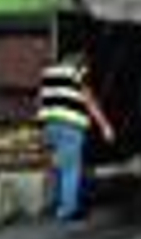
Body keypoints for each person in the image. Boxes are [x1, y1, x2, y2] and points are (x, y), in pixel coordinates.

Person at [39, 51, 115, 221]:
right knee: (71, 168)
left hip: (50, 124)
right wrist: (105, 126)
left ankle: (56, 203)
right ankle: (68, 210)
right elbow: (89, 101)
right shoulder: (76, 74)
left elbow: (40, 98)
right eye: (86, 68)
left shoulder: (48, 74)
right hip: (70, 125)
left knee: (58, 165)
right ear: (80, 65)